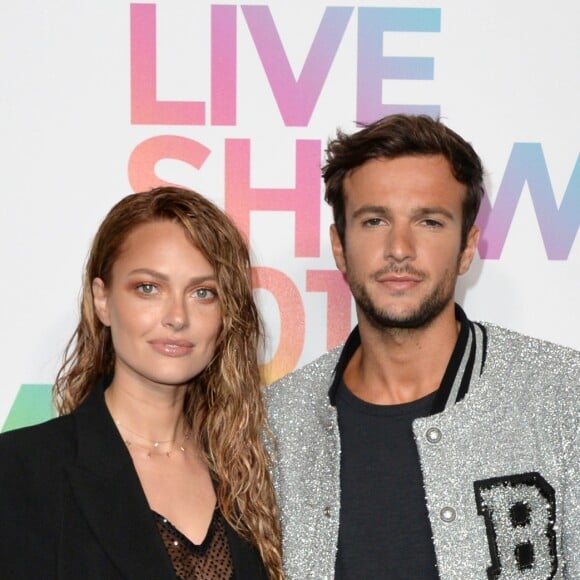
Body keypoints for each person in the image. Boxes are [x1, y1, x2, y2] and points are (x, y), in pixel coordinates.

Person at [264, 114, 579, 579]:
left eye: (429, 221)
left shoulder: (563, 395)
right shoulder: (277, 426)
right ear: (339, 245)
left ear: (467, 248)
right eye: (374, 220)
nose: (399, 248)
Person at [0, 186, 283, 579]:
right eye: (148, 288)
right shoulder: (20, 470)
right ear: (103, 299)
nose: (177, 317)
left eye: (203, 293)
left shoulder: (251, 476)